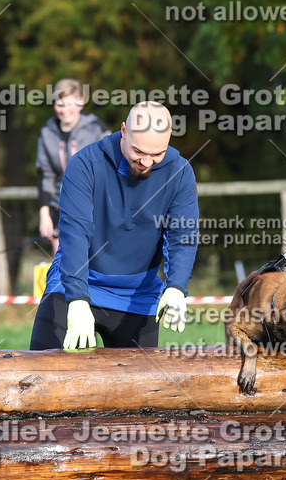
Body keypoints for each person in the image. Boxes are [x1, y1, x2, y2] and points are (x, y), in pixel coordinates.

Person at [30, 101, 199, 351]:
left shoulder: (181, 172)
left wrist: (175, 287)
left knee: (141, 388)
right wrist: (77, 299)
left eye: (157, 154)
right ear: (123, 131)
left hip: (137, 296)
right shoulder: (85, 164)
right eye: (138, 151)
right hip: (76, 282)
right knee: (42, 374)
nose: (147, 161)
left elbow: (182, 236)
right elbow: (75, 234)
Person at [35, 78, 110, 251]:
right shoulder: (47, 134)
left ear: (80, 103)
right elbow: (44, 175)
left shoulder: (97, 129)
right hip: (59, 209)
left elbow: (112, 168)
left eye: (69, 104)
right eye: (60, 105)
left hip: (94, 207)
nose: (65, 110)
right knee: (63, 266)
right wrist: (44, 213)